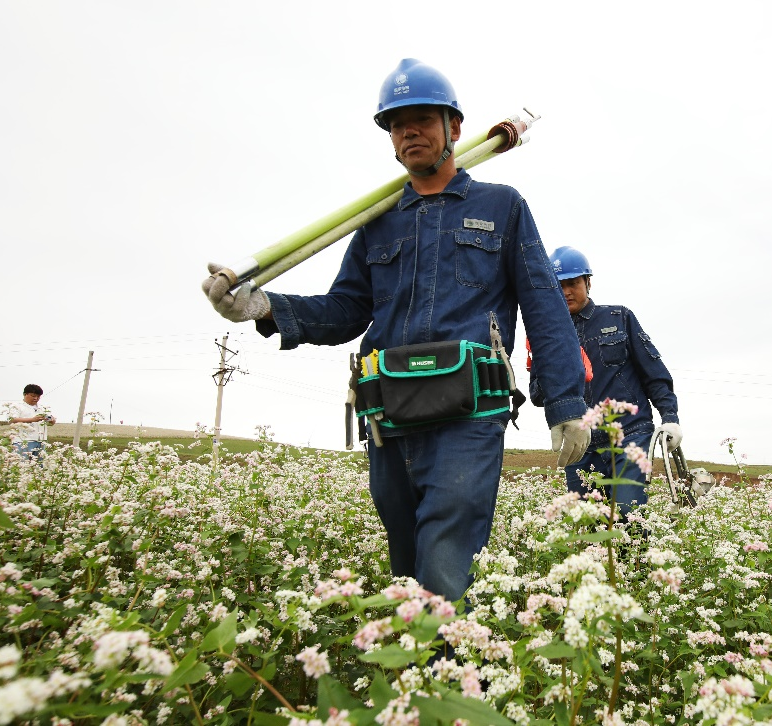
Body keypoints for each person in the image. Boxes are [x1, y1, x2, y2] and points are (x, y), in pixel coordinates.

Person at [202, 59, 590, 605]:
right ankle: (412, 668)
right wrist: (265, 307)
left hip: (469, 410)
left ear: (454, 127)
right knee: (405, 558)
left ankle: (444, 671)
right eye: (397, 124)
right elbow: (346, 310)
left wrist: (566, 401)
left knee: (446, 552)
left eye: (423, 120)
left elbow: (544, 305)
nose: (410, 132)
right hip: (389, 412)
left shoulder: (502, 207)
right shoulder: (376, 220)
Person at [530, 246, 683, 520]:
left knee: (627, 517)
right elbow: (537, 396)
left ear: (588, 281)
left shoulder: (619, 318)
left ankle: (635, 563)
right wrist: (543, 359)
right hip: (580, 443)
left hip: (630, 434)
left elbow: (654, 373)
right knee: (589, 527)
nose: (566, 292)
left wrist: (670, 417)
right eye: (558, 285)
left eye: (573, 283)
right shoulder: (545, 336)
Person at [7, 384, 55, 459]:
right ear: (25, 394)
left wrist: (52, 420)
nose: (36, 398)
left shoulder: (42, 408)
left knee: (38, 466)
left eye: (38, 396)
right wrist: (32, 420)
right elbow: (12, 419)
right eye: (33, 396)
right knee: (22, 465)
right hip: (23, 441)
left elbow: (50, 422)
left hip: (40, 441)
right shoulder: (16, 406)